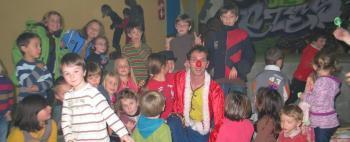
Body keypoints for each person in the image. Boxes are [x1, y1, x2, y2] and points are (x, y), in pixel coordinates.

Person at [60, 53, 133, 142]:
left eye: (76, 71)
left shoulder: (93, 93)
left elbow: (108, 114)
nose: (72, 76)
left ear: (84, 72)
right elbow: (65, 121)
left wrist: (123, 134)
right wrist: (68, 138)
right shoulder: (68, 96)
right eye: (67, 73)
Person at [167, 46, 224, 142]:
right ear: (188, 63)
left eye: (202, 60)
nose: (198, 64)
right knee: (172, 121)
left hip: (200, 128)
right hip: (181, 123)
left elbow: (219, 121)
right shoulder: (179, 77)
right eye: (194, 60)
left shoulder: (215, 90)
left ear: (207, 64)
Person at [206, 4, 255, 95]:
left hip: (237, 79)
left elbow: (249, 57)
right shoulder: (214, 36)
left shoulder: (243, 35)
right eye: (224, 17)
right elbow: (209, 56)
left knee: (238, 108)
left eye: (231, 17)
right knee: (219, 108)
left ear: (236, 18)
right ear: (220, 18)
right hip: (219, 79)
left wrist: (237, 68)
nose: (228, 20)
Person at [12, 10, 68, 80]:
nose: (56, 23)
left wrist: (63, 48)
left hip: (51, 77)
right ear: (46, 22)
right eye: (52, 20)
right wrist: (24, 67)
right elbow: (17, 48)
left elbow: (64, 59)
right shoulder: (35, 32)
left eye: (58, 21)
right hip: (34, 74)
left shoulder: (60, 38)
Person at [300, 51, 341, 142]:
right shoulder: (333, 80)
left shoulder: (321, 81)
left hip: (321, 122)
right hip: (329, 120)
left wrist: (305, 96)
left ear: (315, 66)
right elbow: (324, 97)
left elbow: (318, 101)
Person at [286, 31, 327, 104]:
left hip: (302, 79)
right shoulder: (312, 52)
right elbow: (308, 65)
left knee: (294, 99)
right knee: (291, 99)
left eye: (324, 41)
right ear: (314, 41)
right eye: (321, 41)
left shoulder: (311, 49)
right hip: (301, 80)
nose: (324, 43)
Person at [15, 32, 53, 101]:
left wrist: (38, 87)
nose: (40, 48)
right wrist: (38, 69)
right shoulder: (21, 65)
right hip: (27, 102)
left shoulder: (41, 64)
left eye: (40, 45)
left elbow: (50, 82)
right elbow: (27, 83)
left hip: (42, 101)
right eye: (36, 46)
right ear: (24, 48)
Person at [145, 53, 175, 119]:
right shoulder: (150, 86)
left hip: (174, 115)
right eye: (167, 63)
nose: (169, 65)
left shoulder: (172, 77)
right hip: (161, 120)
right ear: (162, 67)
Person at [0, 60, 14, 142]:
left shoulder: (7, 81)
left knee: (3, 134)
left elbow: (11, 98)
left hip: (4, 114)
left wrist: (9, 111)